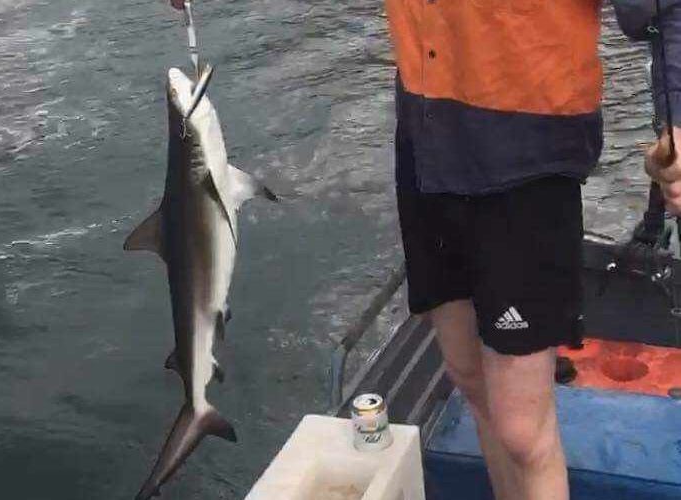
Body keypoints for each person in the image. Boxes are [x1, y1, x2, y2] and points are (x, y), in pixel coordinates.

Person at [169, 1, 681, 499]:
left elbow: (665, 10)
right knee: (469, 380)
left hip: (527, 157)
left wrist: (675, 122)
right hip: (426, 143)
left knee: (523, 431)